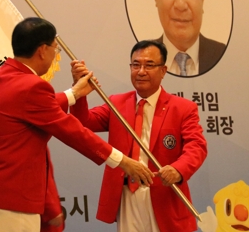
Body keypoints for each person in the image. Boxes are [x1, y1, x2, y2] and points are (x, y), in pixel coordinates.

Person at [0, 17, 155, 232]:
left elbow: (32, 108)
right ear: (43, 50)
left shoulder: (0, 76)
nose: (56, 54)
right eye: (56, 49)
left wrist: (74, 94)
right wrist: (123, 162)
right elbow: (72, 131)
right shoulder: (32, 86)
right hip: (10, 200)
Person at [70, 40, 207, 232]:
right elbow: (83, 122)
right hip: (127, 195)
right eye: (136, 65)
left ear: (163, 70)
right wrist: (78, 92)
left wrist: (178, 170)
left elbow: (197, 147)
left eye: (149, 65)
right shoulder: (117, 103)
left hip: (164, 196)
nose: (141, 71)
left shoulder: (182, 108)